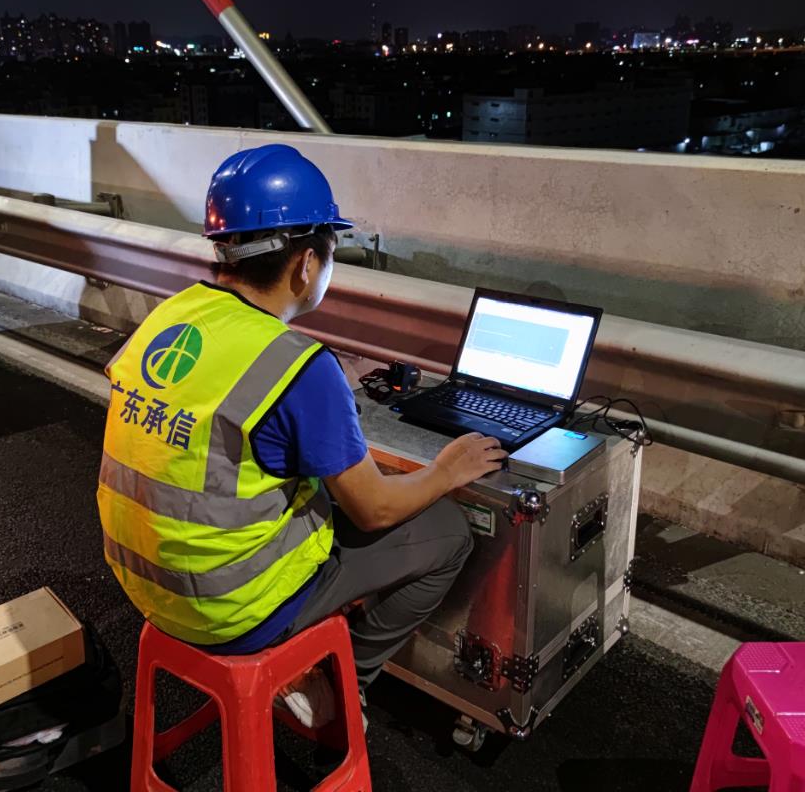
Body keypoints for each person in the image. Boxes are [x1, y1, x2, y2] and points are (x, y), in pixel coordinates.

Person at [97, 143, 505, 726]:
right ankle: (341, 682)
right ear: (306, 264)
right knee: (448, 532)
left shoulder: (171, 316)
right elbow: (374, 511)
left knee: (306, 491)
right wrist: (446, 470)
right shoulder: (299, 367)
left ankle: (317, 661)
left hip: (143, 584)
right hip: (231, 610)